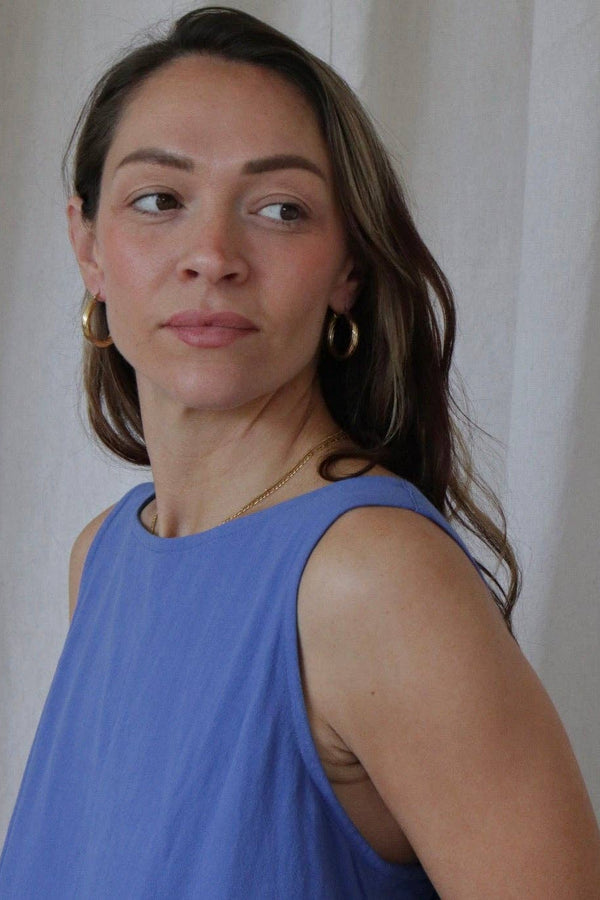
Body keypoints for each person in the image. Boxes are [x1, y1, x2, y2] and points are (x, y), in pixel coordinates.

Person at [1, 6, 599, 898]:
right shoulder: (105, 554)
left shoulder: (374, 579)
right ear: (88, 244)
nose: (212, 256)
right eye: (160, 200)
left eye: (279, 210)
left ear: (347, 268)